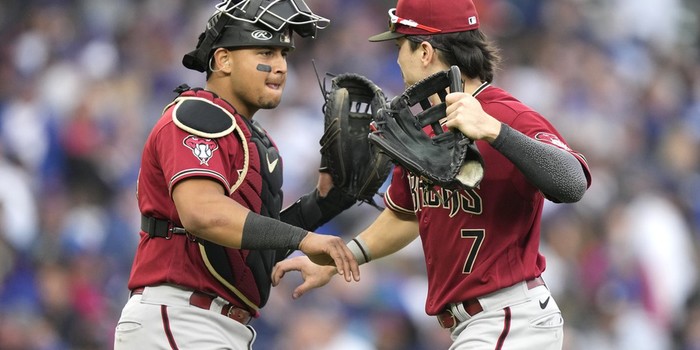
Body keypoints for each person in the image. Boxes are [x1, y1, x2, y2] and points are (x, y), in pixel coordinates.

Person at [272, 0, 592, 349]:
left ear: (424, 51)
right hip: (476, 325)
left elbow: (572, 182)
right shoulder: (420, 129)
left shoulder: (505, 114)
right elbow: (404, 217)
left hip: (511, 317)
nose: (396, 59)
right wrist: (338, 261)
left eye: (399, 47)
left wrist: (494, 131)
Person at [114, 1, 363, 349]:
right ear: (223, 60)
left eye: (283, 54)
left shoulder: (250, 136)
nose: (279, 66)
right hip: (181, 317)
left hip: (215, 324)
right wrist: (304, 239)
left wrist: (327, 201)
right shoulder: (197, 116)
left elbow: (248, 252)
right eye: (265, 51)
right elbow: (203, 214)